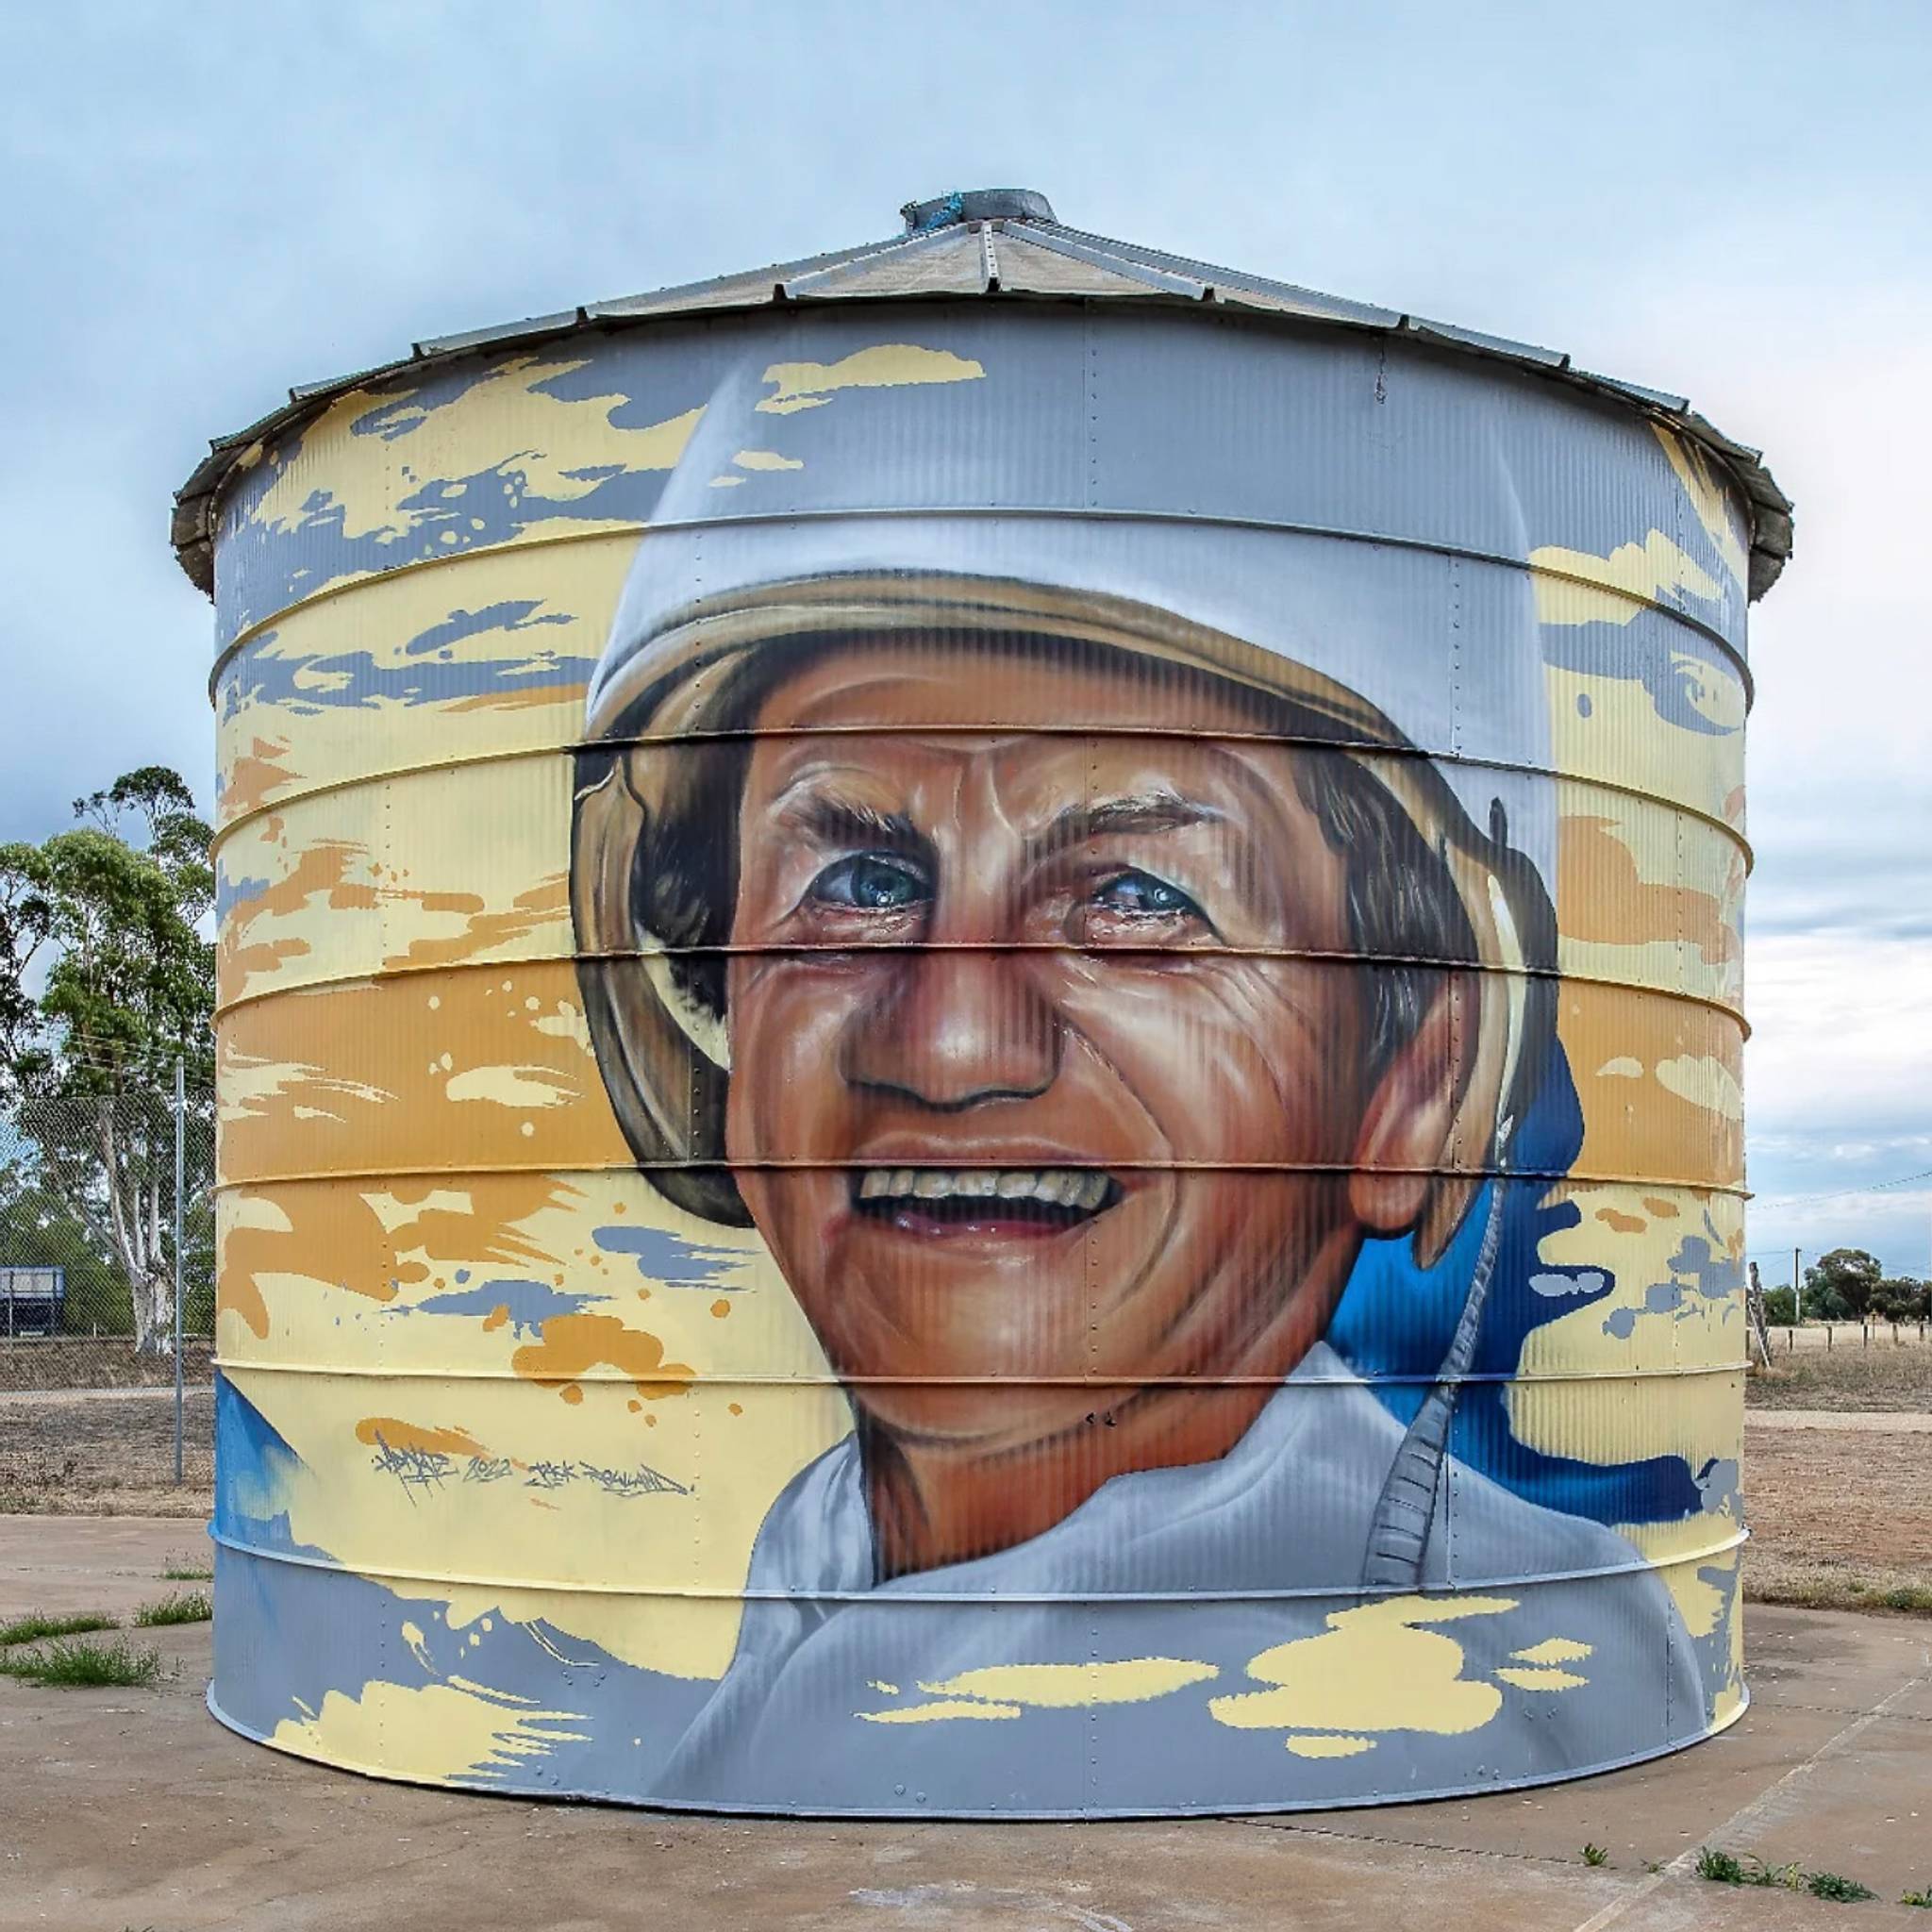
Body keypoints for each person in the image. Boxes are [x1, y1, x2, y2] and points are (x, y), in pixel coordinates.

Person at [571, 530, 1708, 1811]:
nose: (949, 1046)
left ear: (1411, 1086)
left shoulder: (1506, 1683)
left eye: (1138, 897)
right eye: (864, 882)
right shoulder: (816, 1549)